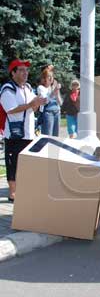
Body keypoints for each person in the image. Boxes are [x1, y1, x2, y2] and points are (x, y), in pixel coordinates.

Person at [0, 60, 46, 202]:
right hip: (14, 133)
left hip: (28, 132)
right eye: (21, 70)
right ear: (13, 73)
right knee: (13, 162)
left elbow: (32, 107)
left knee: (25, 163)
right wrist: (31, 104)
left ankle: (24, 189)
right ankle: (12, 193)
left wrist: (37, 104)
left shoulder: (27, 87)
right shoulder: (8, 89)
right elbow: (11, 110)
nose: (25, 73)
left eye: (26, 70)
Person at [37, 65, 62, 137]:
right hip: (48, 113)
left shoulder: (53, 87)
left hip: (57, 112)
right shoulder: (41, 88)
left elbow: (60, 103)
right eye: (49, 76)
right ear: (44, 78)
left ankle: (53, 149)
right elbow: (45, 101)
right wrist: (54, 92)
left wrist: (57, 94)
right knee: (48, 137)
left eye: (52, 76)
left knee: (56, 137)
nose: (51, 78)